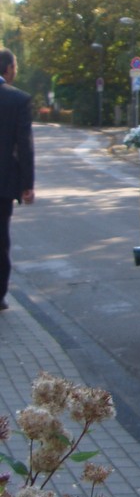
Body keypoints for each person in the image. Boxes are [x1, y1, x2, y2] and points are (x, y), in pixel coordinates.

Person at [0, 48, 35, 311]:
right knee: (1, 238)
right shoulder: (17, 100)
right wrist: (27, 185)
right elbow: (24, 145)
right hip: (3, 183)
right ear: (9, 69)